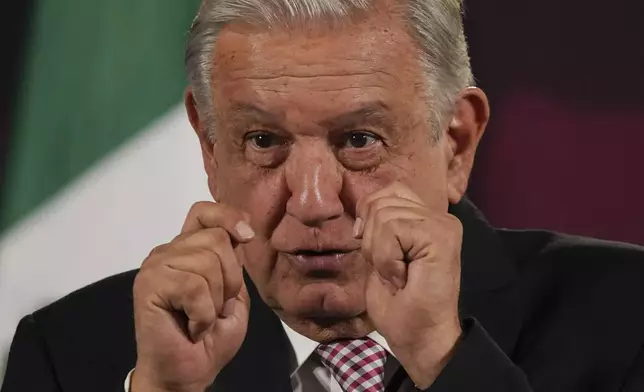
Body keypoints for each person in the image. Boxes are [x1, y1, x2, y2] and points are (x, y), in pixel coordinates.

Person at [3, 0, 644, 390]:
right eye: (262, 141)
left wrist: (444, 360)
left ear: (455, 142)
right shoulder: (77, 356)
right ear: (207, 144)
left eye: (359, 139)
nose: (312, 201)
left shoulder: (625, 317)